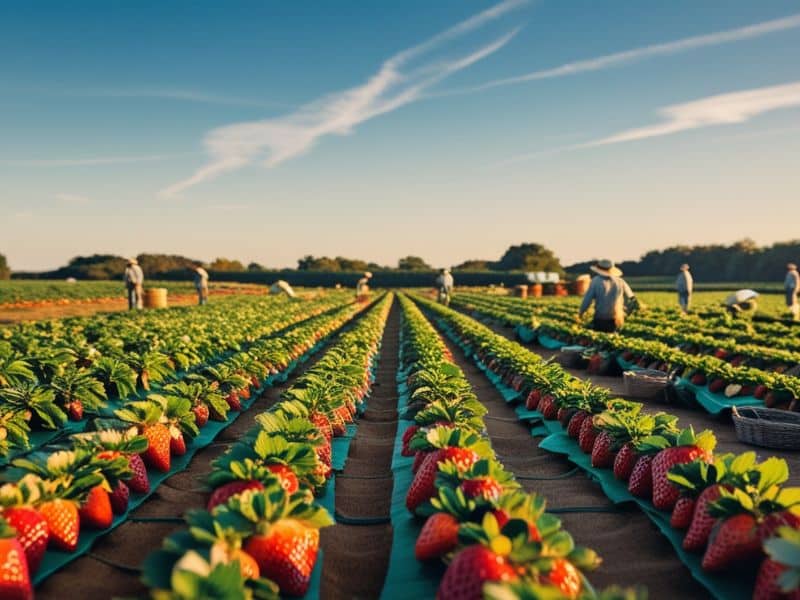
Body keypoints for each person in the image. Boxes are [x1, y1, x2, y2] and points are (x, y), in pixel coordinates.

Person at [578, 259, 636, 332]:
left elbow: (587, 299)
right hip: (615, 318)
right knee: (611, 338)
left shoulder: (596, 281)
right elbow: (631, 299)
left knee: (599, 339)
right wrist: (627, 313)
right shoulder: (620, 281)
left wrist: (581, 312)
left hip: (600, 318)